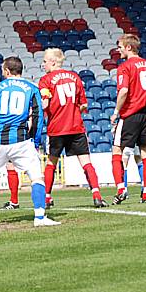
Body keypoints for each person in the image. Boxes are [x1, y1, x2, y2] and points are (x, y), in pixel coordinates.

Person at [0, 56, 60, 228]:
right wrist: (35, 140)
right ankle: (40, 217)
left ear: (6, 71)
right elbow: (37, 116)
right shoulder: (32, 88)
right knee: (36, 177)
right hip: (21, 140)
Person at [38, 48, 109, 208]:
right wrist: (72, 110)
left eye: (45, 61)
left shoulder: (45, 80)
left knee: (51, 163)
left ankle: (47, 198)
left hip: (56, 128)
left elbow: (45, 102)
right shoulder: (75, 77)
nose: (43, 64)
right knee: (86, 163)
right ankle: (97, 195)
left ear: (53, 62)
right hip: (76, 127)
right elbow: (83, 104)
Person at [111, 34, 146, 204]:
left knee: (118, 151)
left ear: (129, 47)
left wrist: (116, 112)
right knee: (144, 152)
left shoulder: (125, 66)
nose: (118, 50)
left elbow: (124, 91)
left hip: (130, 114)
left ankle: (121, 189)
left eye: (120, 47)